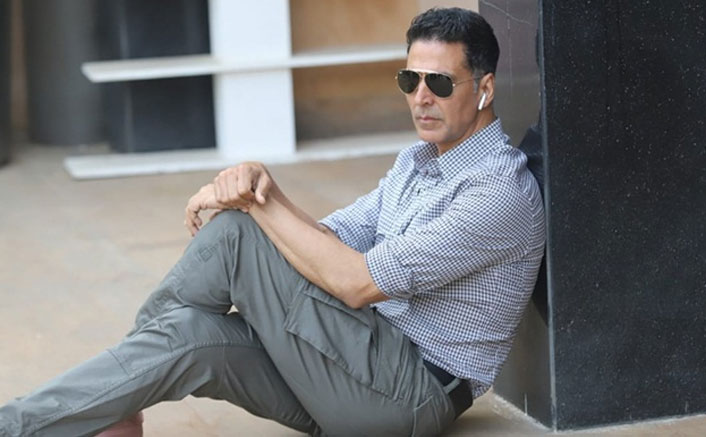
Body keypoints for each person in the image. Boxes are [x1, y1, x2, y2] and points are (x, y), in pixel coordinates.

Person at [0, 7, 545, 436]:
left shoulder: (496, 192)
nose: (421, 98)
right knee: (191, 335)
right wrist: (266, 188)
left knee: (238, 233)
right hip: (348, 365)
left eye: (440, 84)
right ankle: (91, 409)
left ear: (485, 88)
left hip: (406, 395)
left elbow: (356, 282)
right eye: (410, 80)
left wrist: (253, 202)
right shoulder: (416, 162)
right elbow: (326, 241)